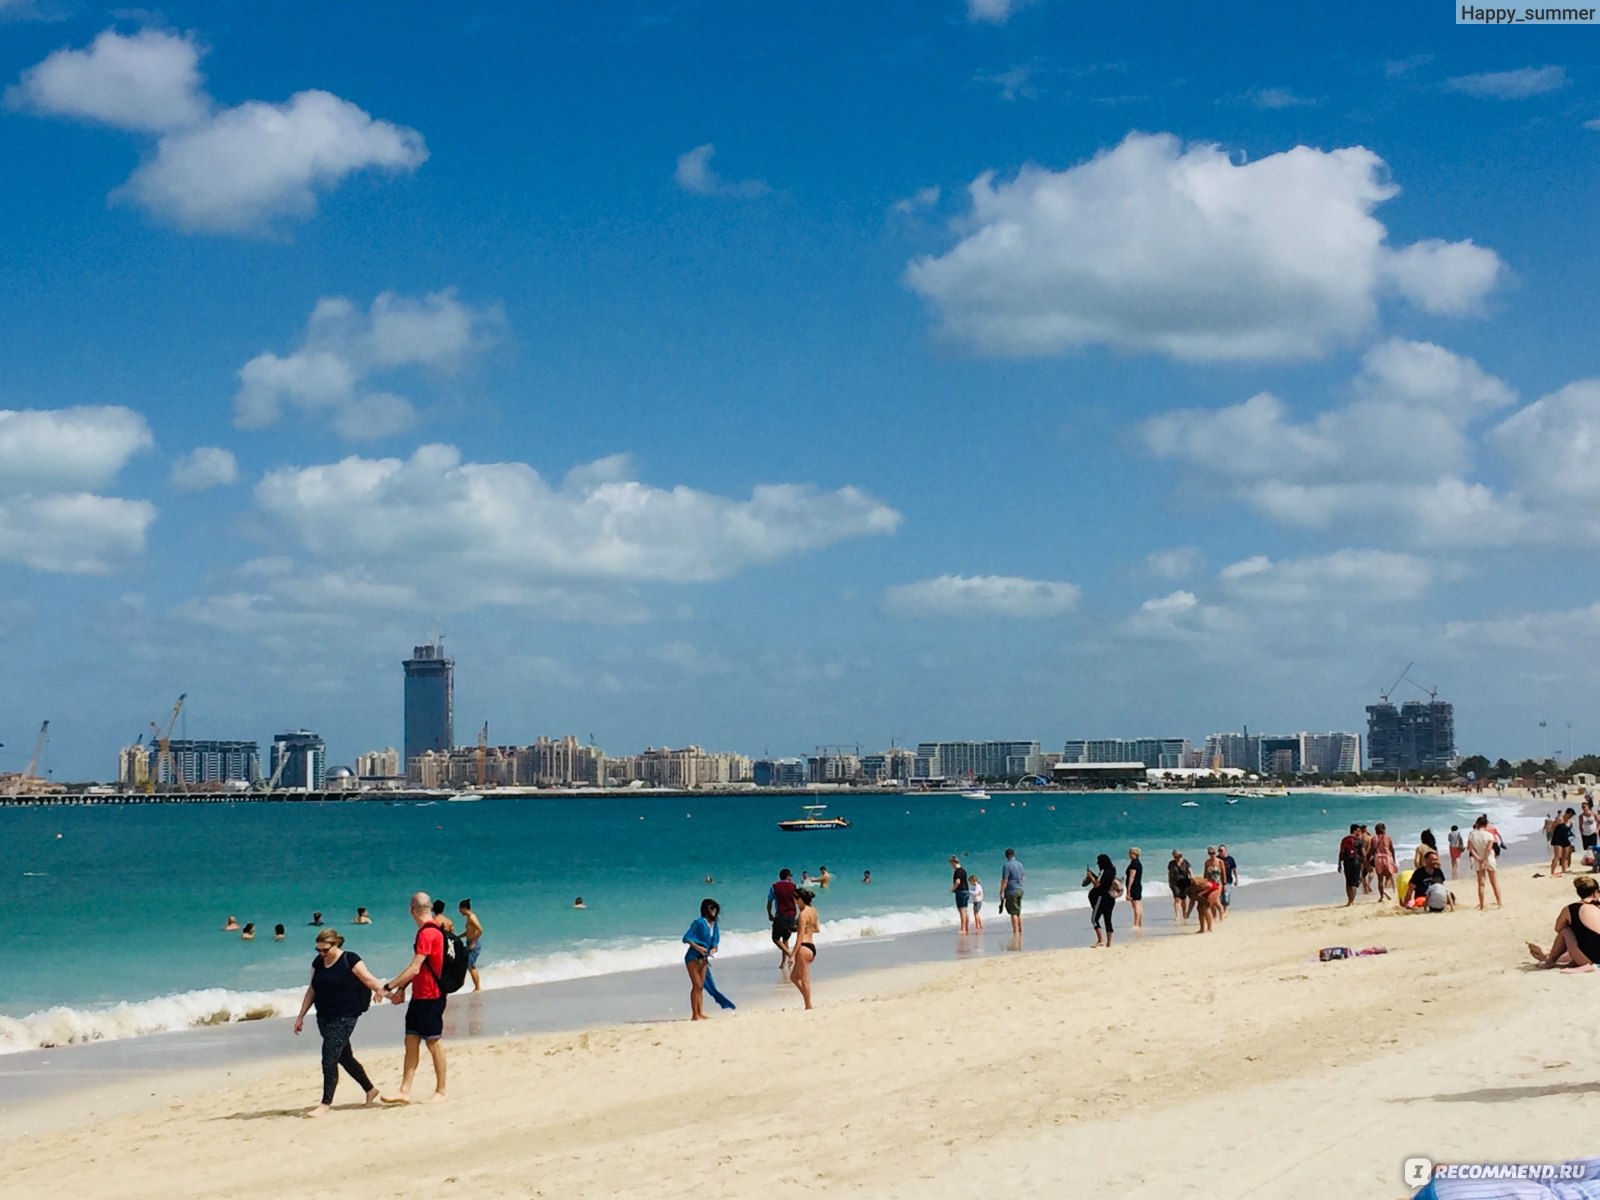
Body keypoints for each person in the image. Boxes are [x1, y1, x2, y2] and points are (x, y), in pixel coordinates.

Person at [293, 928, 385, 1117]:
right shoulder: (318, 962)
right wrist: (301, 1016)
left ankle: (325, 1104)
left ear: (336, 945)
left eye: (325, 950)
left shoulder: (349, 959)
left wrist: (385, 991)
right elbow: (312, 990)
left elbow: (368, 979)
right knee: (344, 1057)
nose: (321, 954)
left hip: (346, 1015)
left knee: (329, 1057)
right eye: (318, 950)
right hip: (324, 1016)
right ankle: (370, 1090)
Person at [378, 891, 448, 1104]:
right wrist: (404, 988)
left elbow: (415, 967)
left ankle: (441, 1091)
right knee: (411, 1040)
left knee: (433, 1042)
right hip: (419, 996)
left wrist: (388, 986)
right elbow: (418, 967)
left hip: (432, 996)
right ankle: (404, 1090)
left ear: (412, 910)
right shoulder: (430, 931)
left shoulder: (428, 933)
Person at [1528, 876, 1600, 971]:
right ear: (1596, 893)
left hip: (1589, 958)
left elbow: (1558, 928)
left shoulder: (1570, 909)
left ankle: (1549, 960)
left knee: (1565, 930)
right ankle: (1547, 953)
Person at [681, 898, 721, 1021]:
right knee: (696, 985)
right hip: (693, 957)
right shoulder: (698, 922)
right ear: (705, 910)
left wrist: (714, 948)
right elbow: (686, 938)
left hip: (704, 958)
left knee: (701, 986)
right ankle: (695, 1014)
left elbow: (715, 939)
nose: (714, 911)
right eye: (711, 908)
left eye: (715, 908)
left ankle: (700, 1012)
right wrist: (698, 948)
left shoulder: (714, 924)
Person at [790, 888, 818, 1009]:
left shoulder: (802, 914)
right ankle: (807, 1000)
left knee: (805, 980)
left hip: (803, 948)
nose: (794, 901)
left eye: (795, 898)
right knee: (794, 977)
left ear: (800, 899)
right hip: (811, 946)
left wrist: (792, 954)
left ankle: (808, 1005)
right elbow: (816, 928)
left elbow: (800, 937)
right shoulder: (813, 910)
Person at [1467, 815, 1503, 911]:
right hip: (1489, 859)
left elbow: (1471, 848)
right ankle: (1499, 902)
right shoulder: (1489, 835)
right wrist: (1484, 858)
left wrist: (1478, 858)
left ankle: (1482, 905)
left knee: (1481, 884)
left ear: (1477, 824)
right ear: (1486, 825)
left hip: (1478, 860)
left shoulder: (1472, 835)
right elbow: (1488, 848)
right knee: (1494, 882)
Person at [767, 868, 799, 969]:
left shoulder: (774, 887)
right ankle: (783, 962)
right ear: (788, 876)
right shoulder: (794, 886)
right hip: (792, 913)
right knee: (785, 938)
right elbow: (798, 900)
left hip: (781, 914)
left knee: (775, 938)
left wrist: (769, 914)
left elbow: (769, 901)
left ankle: (789, 955)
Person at [1088, 854, 1117, 947]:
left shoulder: (1104, 871)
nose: (1098, 864)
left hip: (1102, 897)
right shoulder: (1113, 870)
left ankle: (1100, 940)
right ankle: (1109, 943)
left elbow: (1097, 885)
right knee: (1108, 919)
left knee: (1094, 919)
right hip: (1110, 898)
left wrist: (1091, 877)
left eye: (1099, 862)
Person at [457, 899, 484, 992]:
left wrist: (474, 942)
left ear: (464, 908)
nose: (460, 911)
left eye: (460, 909)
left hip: (474, 944)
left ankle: (478, 987)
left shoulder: (472, 917)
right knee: (469, 965)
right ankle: (476, 987)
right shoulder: (469, 917)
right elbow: (469, 932)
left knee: (471, 966)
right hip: (470, 942)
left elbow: (480, 930)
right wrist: (459, 936)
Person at [998, 848, 1025, 937]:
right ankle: (1020, 930)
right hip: (1020, 889)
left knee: (1013, 912)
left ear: (1006, 856)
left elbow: (1005, 880)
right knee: (1018, 911)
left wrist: (1001, 891)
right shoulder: (1020, 864)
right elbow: (1023, 877)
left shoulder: (1006, 866)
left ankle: (1015, 931)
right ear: (1014, 854)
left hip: (1011, 890)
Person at [1370, 823, 1398, 902]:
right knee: (1389, 875)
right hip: (1387, 857)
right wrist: (1394, 859)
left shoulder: (1373, 838)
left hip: (1378, 858)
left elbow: (1372, 850)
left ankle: (1382, 896)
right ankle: (1386, 889)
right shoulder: (1388, 837)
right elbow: (1392, 849)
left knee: (1380, 879)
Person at [1337, 824, 1363, 906]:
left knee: (1348, 882)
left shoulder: (1344, 839)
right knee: (1354, 882)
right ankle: (1352, 901)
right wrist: (1365, 863)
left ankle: (1349, 900)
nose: (1359, 832)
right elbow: (1363, 853)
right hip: (1356, 862)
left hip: (1346, 862)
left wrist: (1339, 864)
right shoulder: (1358, 840)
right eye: (1358, 830)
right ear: (1354, 830)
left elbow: (1341, 852)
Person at [1168, 851, 1193, 922]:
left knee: (1183, 899)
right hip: (1174, 883)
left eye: (1178, 856)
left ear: (1181, 856)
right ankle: (1177, 916)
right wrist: (1169, 881)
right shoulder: (1171, 863)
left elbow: (1190, 870)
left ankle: (1184, 914)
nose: (1177, 858)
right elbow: (1169, 873)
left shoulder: (1185, 862)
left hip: (1184, 882)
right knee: (1177, 899)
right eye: (1175, 857)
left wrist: (1192, 878)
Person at [949, 855, 971, 934]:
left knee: (961, 910)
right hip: (966, 891)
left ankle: (963, 928)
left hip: (960, 891)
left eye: (951, 864)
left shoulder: (957, 871)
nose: (951, 866)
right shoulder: (963, 870)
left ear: (954, 863)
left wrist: (953, 889)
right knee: (965, 910)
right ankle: (967, 927)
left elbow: (957, 882)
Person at [1552, 808, 1576, 877]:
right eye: (1570, 815)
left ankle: (1564, 870)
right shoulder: (1560, 819)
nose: (1571, 817)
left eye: (1572, 816)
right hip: (1557, 839)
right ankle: (1552, 871)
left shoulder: (1570, 821)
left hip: (1566, 839)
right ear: (1567, 813)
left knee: (1565, 856)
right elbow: (1552, 827)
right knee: (1557, 856)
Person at [1124, 848, 1144, 930]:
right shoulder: (1138, 863)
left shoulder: (1134, 864)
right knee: (1138, 904)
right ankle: (1139, 923)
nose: (1129, 855)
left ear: (1134, 854)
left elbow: (1132, 876)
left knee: (1135, 905)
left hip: (1134, 886)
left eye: (1130, 853)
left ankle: (1136, 923)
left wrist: (1128, 889)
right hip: (1138, 885)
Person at [1218, 843, 1238, 914]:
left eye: (1221, 850)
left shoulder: (1230, 859)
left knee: (1226, 896)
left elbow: (1234, 870)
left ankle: (1225, 911)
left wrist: (1236, 879)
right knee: (1220, 896)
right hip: (1219, 880)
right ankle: (1222, 910)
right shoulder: (1217, 859)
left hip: (1228, 880)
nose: (1220, 852)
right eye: (1219, 850)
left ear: (1225, 851)